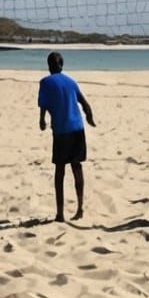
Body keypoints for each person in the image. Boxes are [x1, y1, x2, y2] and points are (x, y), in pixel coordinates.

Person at [37, 51, 95, 222]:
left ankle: (60, 214)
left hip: (61, 131)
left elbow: (43, 104)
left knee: (60, 170)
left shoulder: (45, 82)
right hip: (77, 128)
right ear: (62, 66)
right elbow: (85, 104)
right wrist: (90, 118)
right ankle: (79, 208)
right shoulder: (71, 81)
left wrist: (42, 120)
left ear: (49, 67)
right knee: (77, 167)